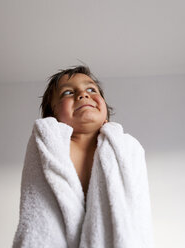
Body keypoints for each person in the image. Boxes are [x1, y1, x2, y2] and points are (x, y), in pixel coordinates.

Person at [12, 65, 154, 248]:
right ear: (53, 116)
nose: (82, 94)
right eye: (68, 93)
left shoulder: (126, 148)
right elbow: (37, 208)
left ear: (106, 115)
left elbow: (137, 211)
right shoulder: (48, 145)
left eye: (91, 89)